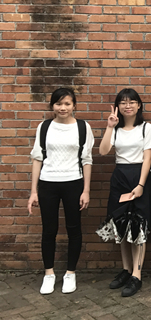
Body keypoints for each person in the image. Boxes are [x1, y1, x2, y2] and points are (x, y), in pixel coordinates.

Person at [28, 88, 94, 295]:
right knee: (49, 230)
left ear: (74, 105)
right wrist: (33, 191)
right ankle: (49, 274)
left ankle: (70, 273)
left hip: (73, 182)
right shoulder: (45, 126)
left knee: (74, 229)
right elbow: (37, 158)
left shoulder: (83, 127)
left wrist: (86, 190)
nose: (62, 108)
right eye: (58, 104)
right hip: (48, 183)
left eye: (67, 104)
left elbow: (87, 160)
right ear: (52, 106)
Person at [96, 89, 151, 297]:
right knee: (120, 224)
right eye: (123, 102)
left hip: (139, 176)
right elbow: (103, 151)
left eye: (132, 102)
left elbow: (148, 158)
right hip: (120, 177)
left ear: (139, 105)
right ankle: (126, 269)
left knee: (138, 226)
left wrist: (141, 184)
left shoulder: (146, 128)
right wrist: (109, 126)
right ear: (118, 106)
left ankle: (137, 275)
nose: (128, 106)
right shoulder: (116, 129)